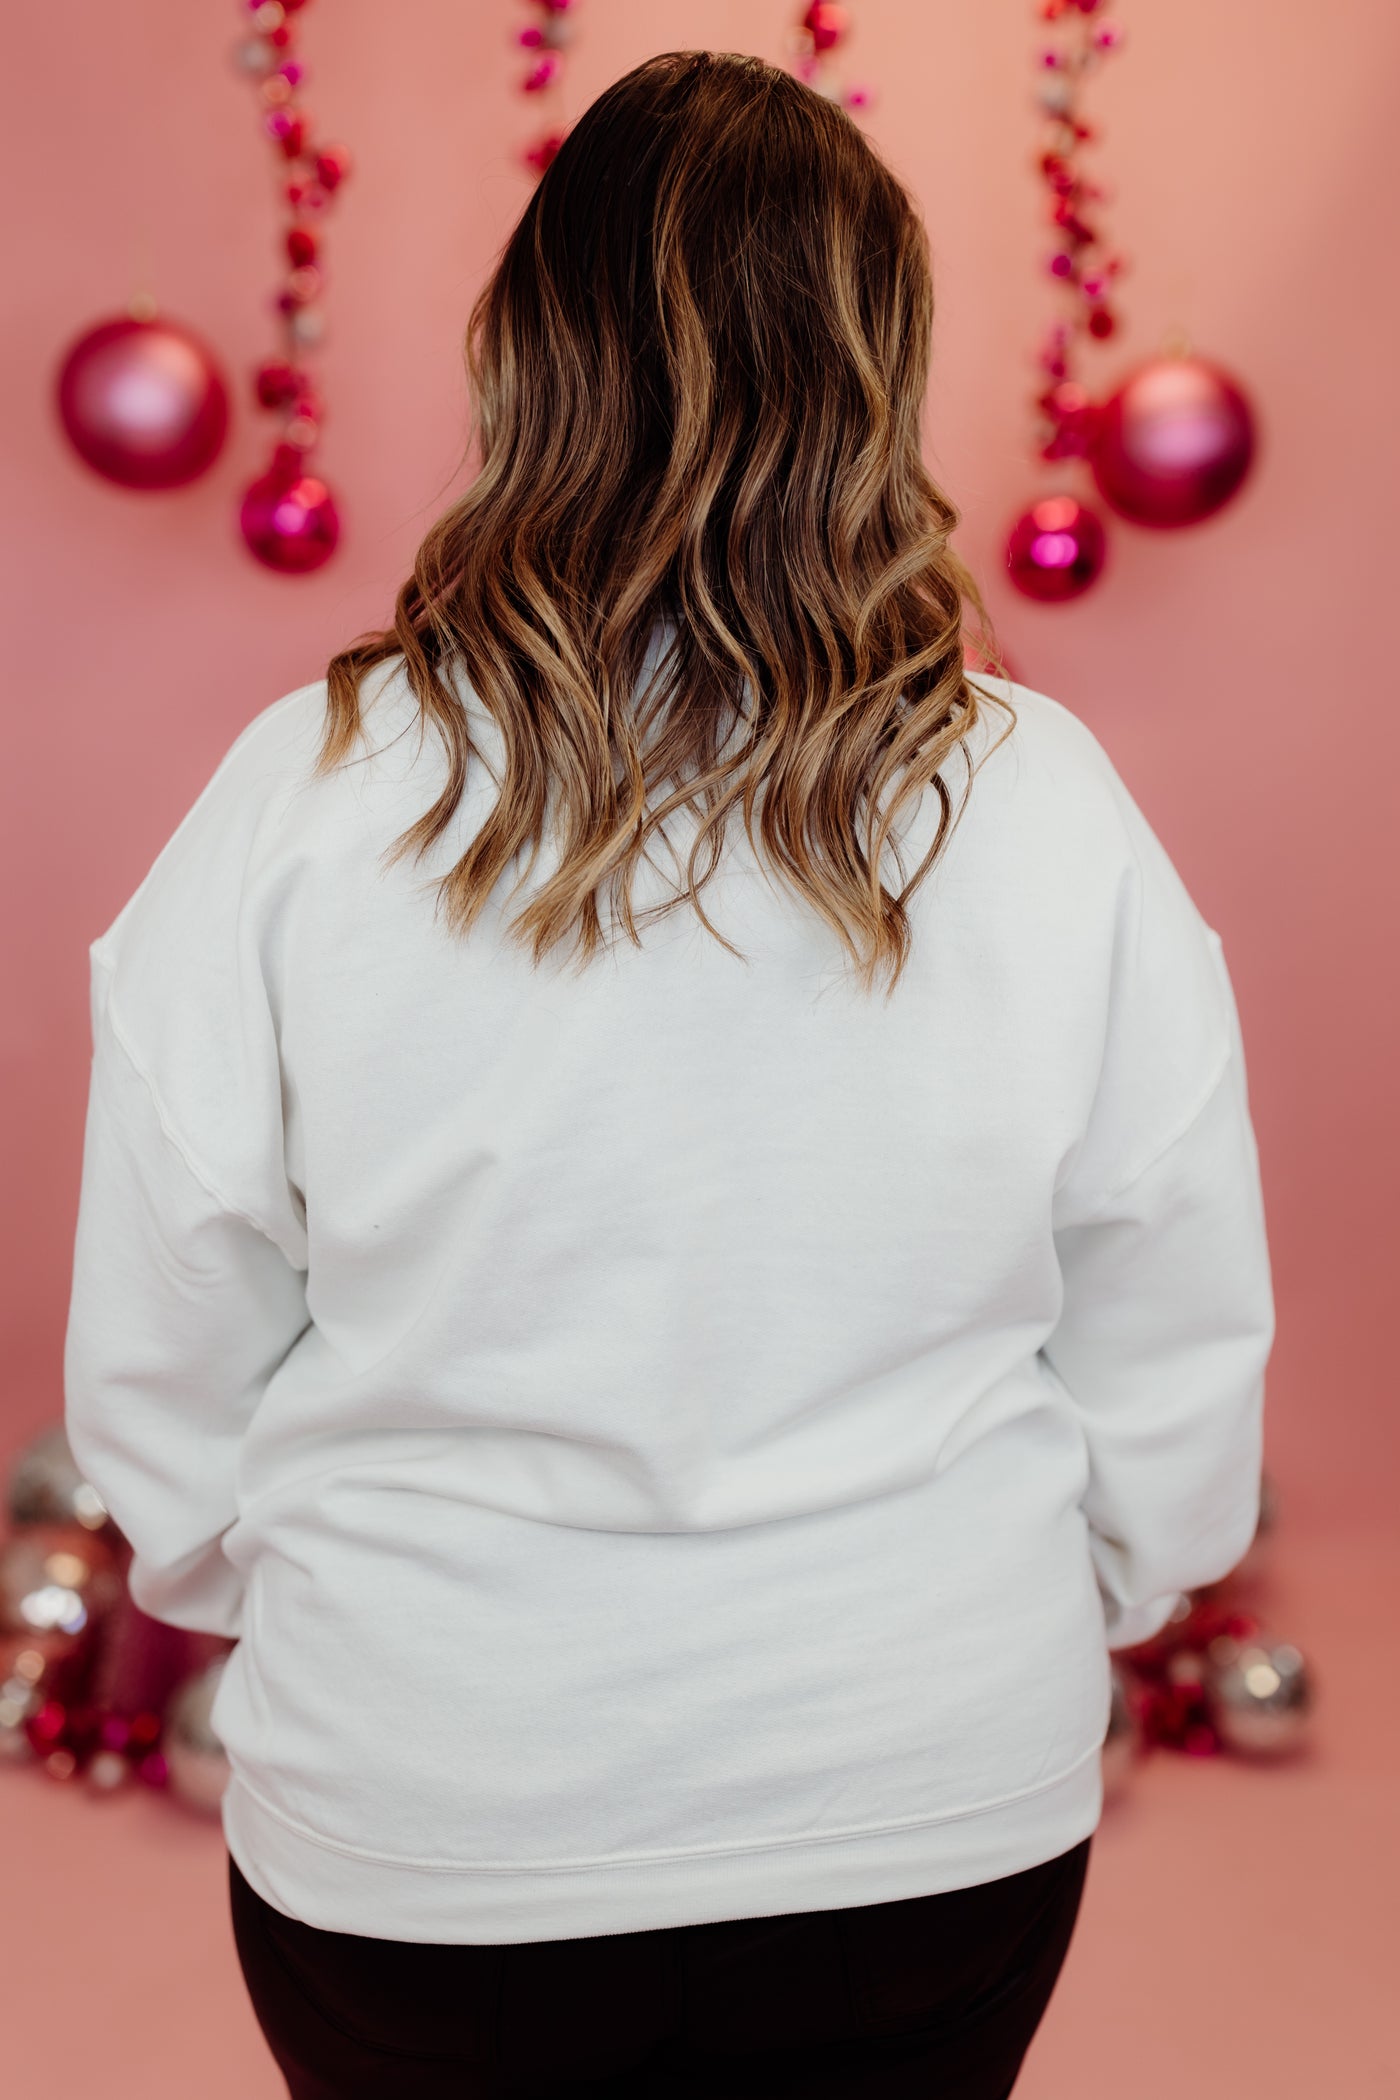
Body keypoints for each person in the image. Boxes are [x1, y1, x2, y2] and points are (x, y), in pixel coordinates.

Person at [63, 48, 1274, 2100]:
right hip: (933, 1813)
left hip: (423, 1829)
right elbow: (1174, 1329)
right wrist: (1000, 1607)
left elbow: (162, 1356)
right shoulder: (1046, 805)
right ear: (876, 376)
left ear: (528, 357)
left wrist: (321, 1602)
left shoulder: (306, 792)